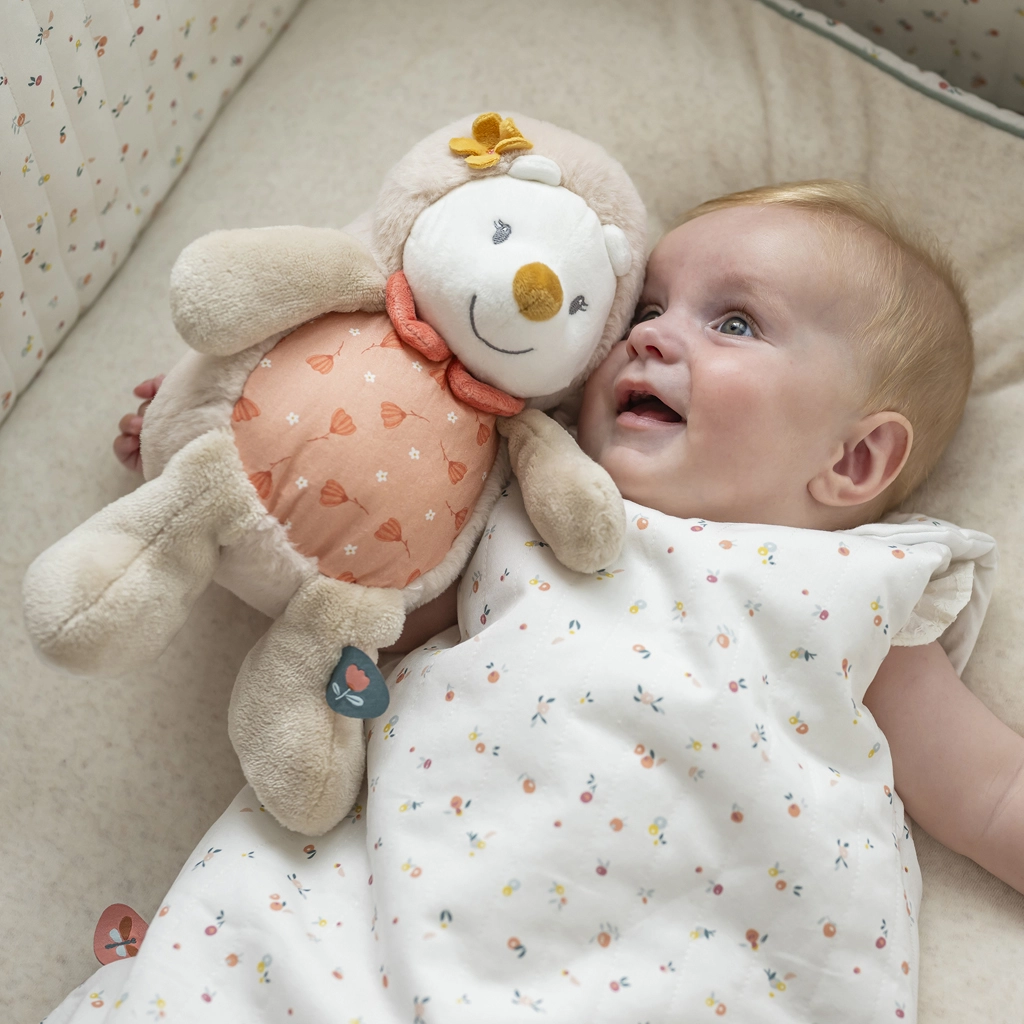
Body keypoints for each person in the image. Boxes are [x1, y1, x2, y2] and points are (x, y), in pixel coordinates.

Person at [94, 180, 1016, 1022]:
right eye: (648, 308)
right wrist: (243, 461)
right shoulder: (513, 500)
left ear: (855, 460)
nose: (651, 336)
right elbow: (368, 602)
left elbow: (992, 794)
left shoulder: (853, 589)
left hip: (694, 961)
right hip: (402, 902)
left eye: (734, 323)